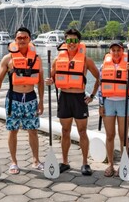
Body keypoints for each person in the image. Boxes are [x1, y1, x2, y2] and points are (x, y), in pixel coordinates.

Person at [0, 27, 44, 175]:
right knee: (13, 131)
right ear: (15, 40)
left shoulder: (37, 59)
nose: (22, 40)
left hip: (31, 98)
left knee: (33, 131)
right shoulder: (8, 59)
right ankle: (14, 162)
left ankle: (36, 160)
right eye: (19, 38)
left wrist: (42, 101)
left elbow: (41, 82)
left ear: (30, 39)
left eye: (25, 37)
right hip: (14, 99)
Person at [45, 28, 100, 175]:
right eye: (69, 40)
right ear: (65, 42)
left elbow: (99, 78)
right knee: (65, 131)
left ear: (79, 42)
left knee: (82, 131)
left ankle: (85, 163)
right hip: (64, 97)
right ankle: (65, 162)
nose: (72, 43)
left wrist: (93, 95)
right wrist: (49, 81)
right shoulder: (58, 60)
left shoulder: (86, 60)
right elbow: (51, 78)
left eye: (75, 40)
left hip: (79, 98)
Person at [97, 41, 129, 177]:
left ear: (122, 50)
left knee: (123, 135)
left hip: (123, 102)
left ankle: (124, 163)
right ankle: (110, 164)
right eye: (113, 50)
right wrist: (101, 105)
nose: (116, 53)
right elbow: (101, 87)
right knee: (110, 135)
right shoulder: (103, 66)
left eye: (118, 50)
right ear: (110, 51)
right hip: (108, 103)